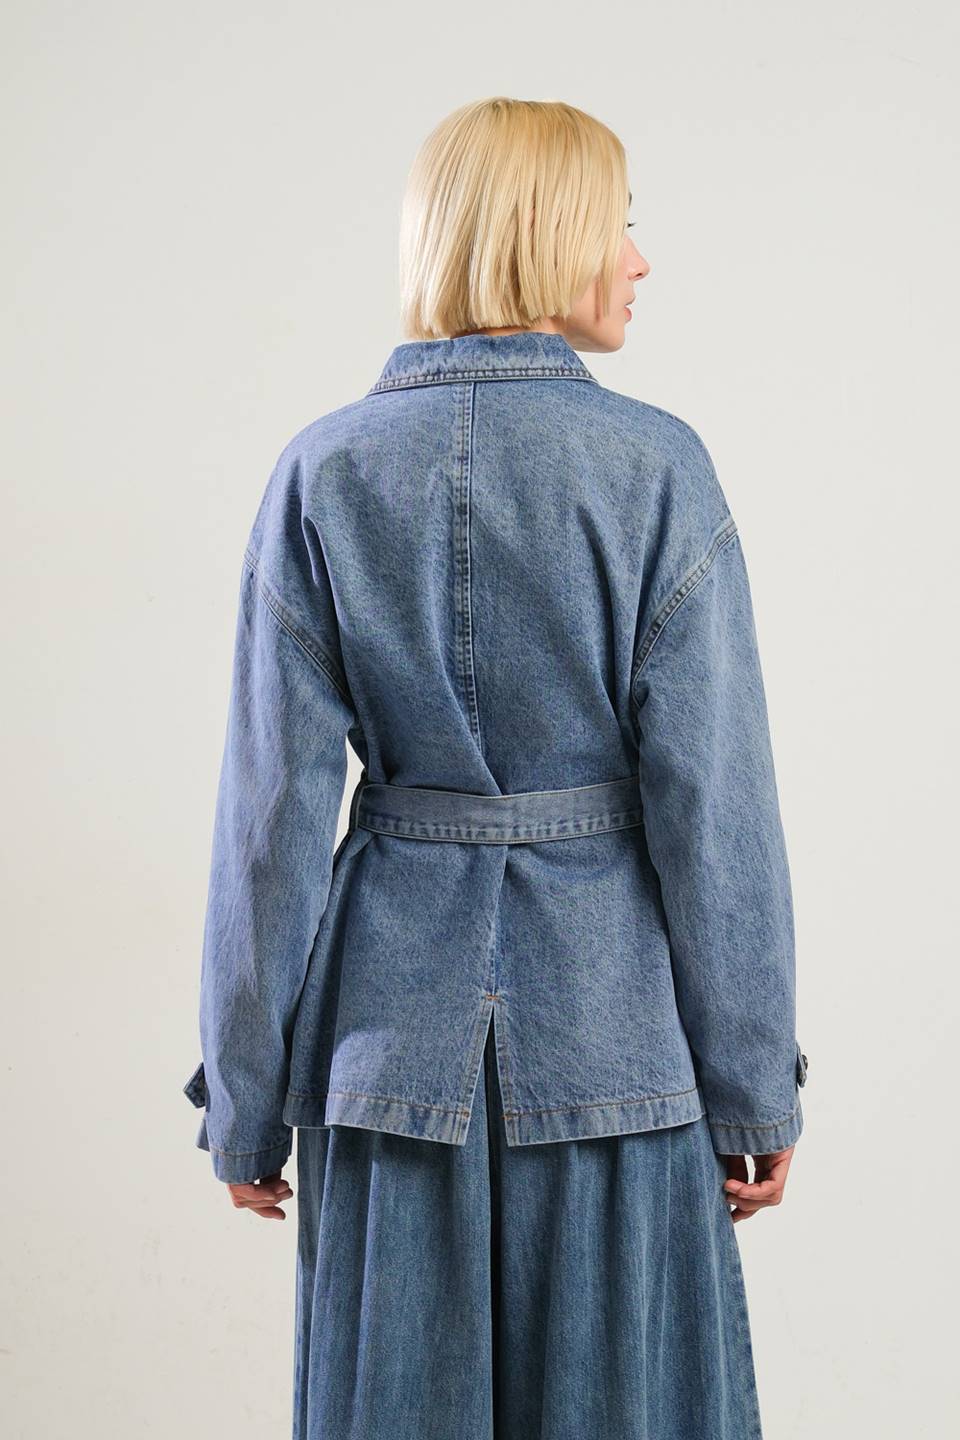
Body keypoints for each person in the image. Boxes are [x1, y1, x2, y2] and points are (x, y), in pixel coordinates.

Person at [183, 96, 809, 1439]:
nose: (639, 260)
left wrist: (244, 1099)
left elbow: (269, 821)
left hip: (385, 1050)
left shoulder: (322, 473)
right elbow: (716, 809)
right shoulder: (657, 470)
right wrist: (755, 1079)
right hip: (615, 1041)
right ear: (549, 236)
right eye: (620, 226)